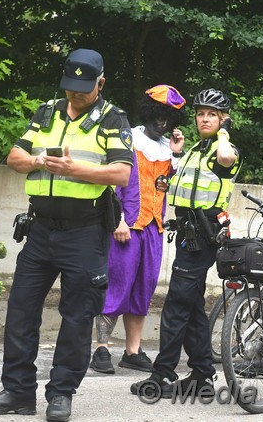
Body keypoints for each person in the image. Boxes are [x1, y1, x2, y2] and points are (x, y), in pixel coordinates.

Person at [0, 49, 133, 422]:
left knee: (77, 317)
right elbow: (15, 157)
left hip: (85, 232)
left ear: (100, 83)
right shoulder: (47, 111)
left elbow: (121, 174)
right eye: (69, 88)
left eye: (82, 89)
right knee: (20, 311)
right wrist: (36, 161)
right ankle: (17, 392)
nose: (74, 95)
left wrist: (75, 169)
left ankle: (61, 394)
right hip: (41, 230)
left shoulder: (112, 119)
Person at [130, 88, 241, 399]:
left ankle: (161, 374)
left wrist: (225, 132)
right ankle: (202, 375)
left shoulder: (224, 148)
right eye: (201, 114)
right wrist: (172, 169)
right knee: (191, 305)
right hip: (187, 232)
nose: (204, 119)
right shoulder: (195, 148)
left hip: (204, 235)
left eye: (212, 115)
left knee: (177, 304)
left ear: (223, 119)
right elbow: (182, 182)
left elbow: (225, 159)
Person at [90, 85, 188, 375]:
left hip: (153, 229)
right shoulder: (127, 138)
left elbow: (171, 186)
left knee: (142, 290)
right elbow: (110, 183)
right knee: (116, 285)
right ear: (148, 112)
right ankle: (101, 348)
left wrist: (177, 155)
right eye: (159, 116)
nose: (163, 123)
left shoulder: (166, 150)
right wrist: (117, 220)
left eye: (169, 118)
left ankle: (132, 351)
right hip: (126, 226)